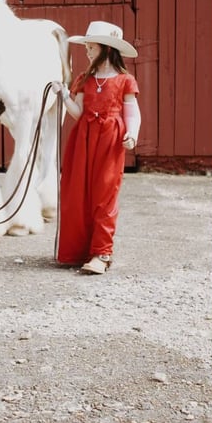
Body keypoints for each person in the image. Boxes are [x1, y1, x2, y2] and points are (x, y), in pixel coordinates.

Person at [51, 21, 141, 274]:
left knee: (105, 194)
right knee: (78, 193)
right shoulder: (84, 79)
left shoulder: (125, 80)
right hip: (83, 140)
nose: (87, 52)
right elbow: (78, 113)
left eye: (91, 47)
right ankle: (78, 251)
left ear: (106, 49)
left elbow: (132, 113)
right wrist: (63, 95)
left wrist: (132, 134)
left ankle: (102, 253)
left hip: (110, 140)